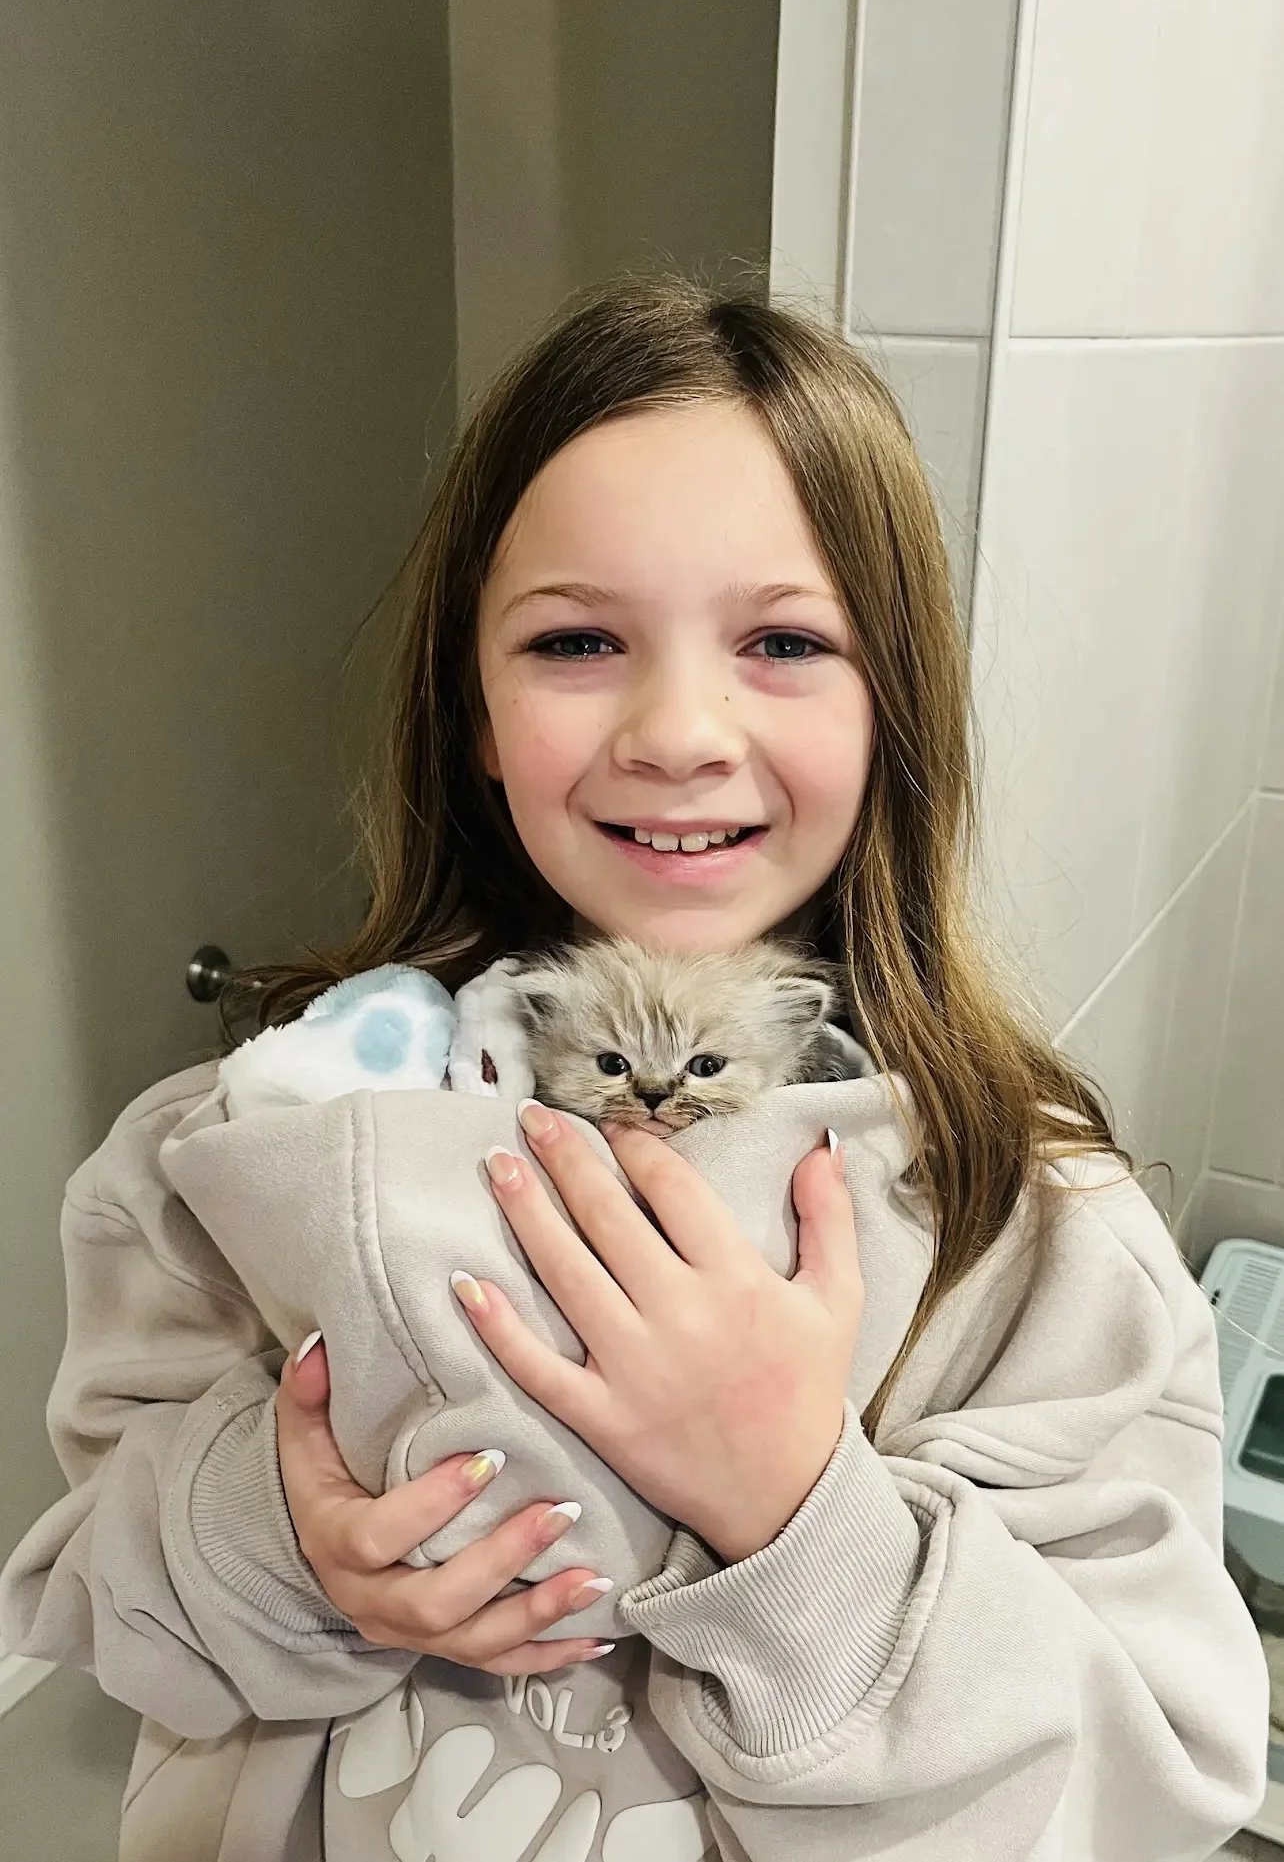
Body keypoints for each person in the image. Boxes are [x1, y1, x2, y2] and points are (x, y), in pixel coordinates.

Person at [0, 277, 1267, 1861]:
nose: (680, 730)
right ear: (474, 707)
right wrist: (278, 1541)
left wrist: (805, 1522)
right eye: (581, 638)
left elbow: (1141, 1782)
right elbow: (96, 1592)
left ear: (898, 712)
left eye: (786, 640)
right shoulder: (248, 1149)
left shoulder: (1032, 1234)